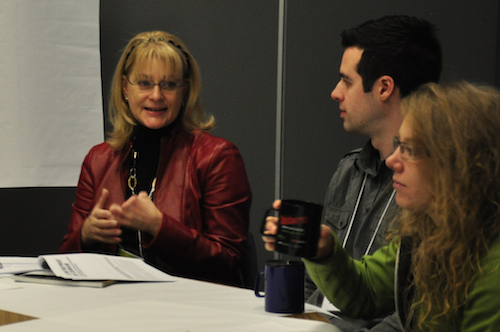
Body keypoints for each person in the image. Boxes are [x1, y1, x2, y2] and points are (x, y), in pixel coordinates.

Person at [267, 15, 442, 331]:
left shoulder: (436, 185)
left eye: (346, 81)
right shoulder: (350, 169)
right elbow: (312, 290)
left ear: (384, 88)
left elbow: (411, 314)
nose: (335, 92)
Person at [301, 81, 500, 331]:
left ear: (458, 165)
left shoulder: (494, 268)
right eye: (398, 146)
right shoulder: (430, 231)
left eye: (410, 150)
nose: (393, 160)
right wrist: (326, 253)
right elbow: (368, 293)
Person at [59, 31, 252, 286]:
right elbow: (65, 260)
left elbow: (229, 263)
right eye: (144, 83)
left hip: (192, 311)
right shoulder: (98, 159)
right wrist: (86, 236)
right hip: (112, 307)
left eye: (169, 84)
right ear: (125, 88)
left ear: (185, 90)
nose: (157, 95)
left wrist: (159, 227)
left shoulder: (216, 157)